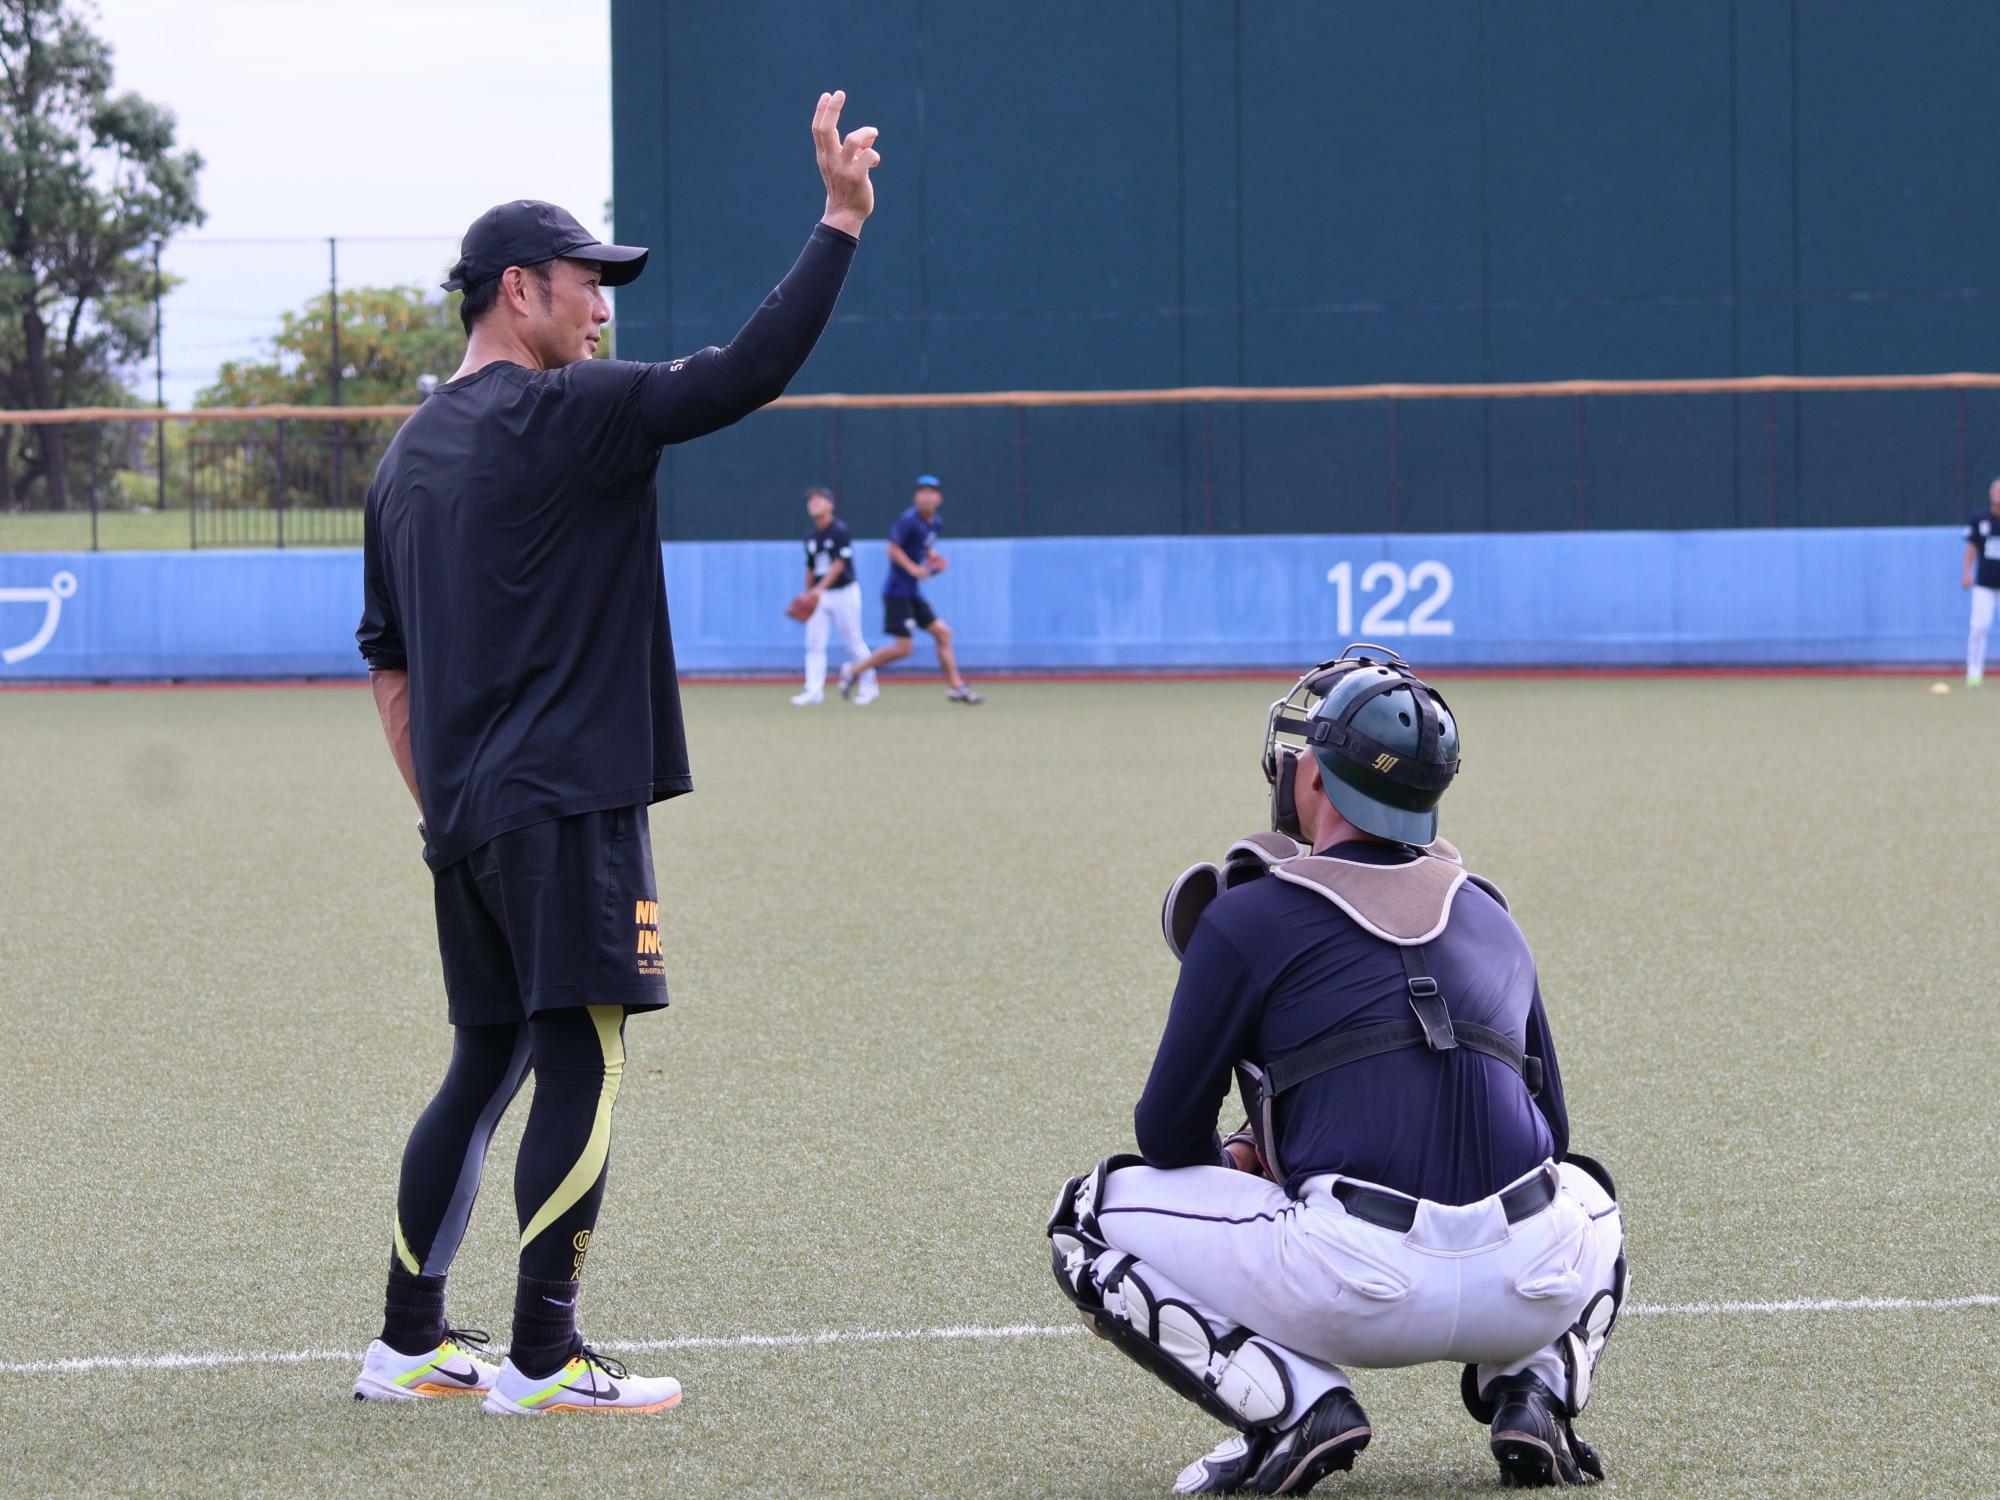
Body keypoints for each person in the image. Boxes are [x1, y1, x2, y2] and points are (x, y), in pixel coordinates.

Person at [351, 90, 878, 1417]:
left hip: (467, 816)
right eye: (589, 286)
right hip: (568, 802)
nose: (603, 311)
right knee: (580, 1051)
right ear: (517, 291)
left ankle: (409, 1339)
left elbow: (390, 667)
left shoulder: (402, 458)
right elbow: (743, 374)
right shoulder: (567, 411)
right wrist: (838, 222)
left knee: (486, 1060)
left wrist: (456, 805)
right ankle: (542, 1356)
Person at [1047, 647, 1626, 1493]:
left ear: (1313, 777)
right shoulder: (1493, 916)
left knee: (1084, 1218)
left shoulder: (1245, 915)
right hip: (1533, 1279)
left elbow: (1164, 1134)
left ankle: (1297, 1405)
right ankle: (1537, 1387)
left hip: (1354, 1286)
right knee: (1589, 1187)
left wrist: (1261, 1164)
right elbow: (1555, 1135)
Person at [839, 475, 983, 703]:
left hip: (913, 593)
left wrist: (933, 558)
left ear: (939, 498)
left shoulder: (935, 523)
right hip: (897, 592)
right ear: (916, 496)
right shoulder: (908, 520)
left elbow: (923, 547)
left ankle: (957, 687)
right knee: (904, 648)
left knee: (943, 634)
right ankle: (854, 670)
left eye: (931, 492)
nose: (926, 496)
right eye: (922, 491)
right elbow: (892, 548)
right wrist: (914, 569)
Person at [792, 486, 877, 705]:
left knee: (852, 640)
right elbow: (810, 568)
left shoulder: (840, 531)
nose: (814, 504)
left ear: (830, 505)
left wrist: (818, 590)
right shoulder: (810, 537)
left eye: (819, 500)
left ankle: (869, 686)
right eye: (811, 501)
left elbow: (840, 564)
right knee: (814, 642)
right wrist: (809, 593)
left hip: (844, 592)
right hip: (821, 596)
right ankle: (813, 690)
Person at [1961, 479, 2000, 686]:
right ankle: (1974, 673)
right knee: (1979, 627)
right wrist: (1966, 572)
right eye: (1995, 490)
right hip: (1984, 584)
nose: (1997, 493)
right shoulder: (1980, 518)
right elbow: (1972, 548)